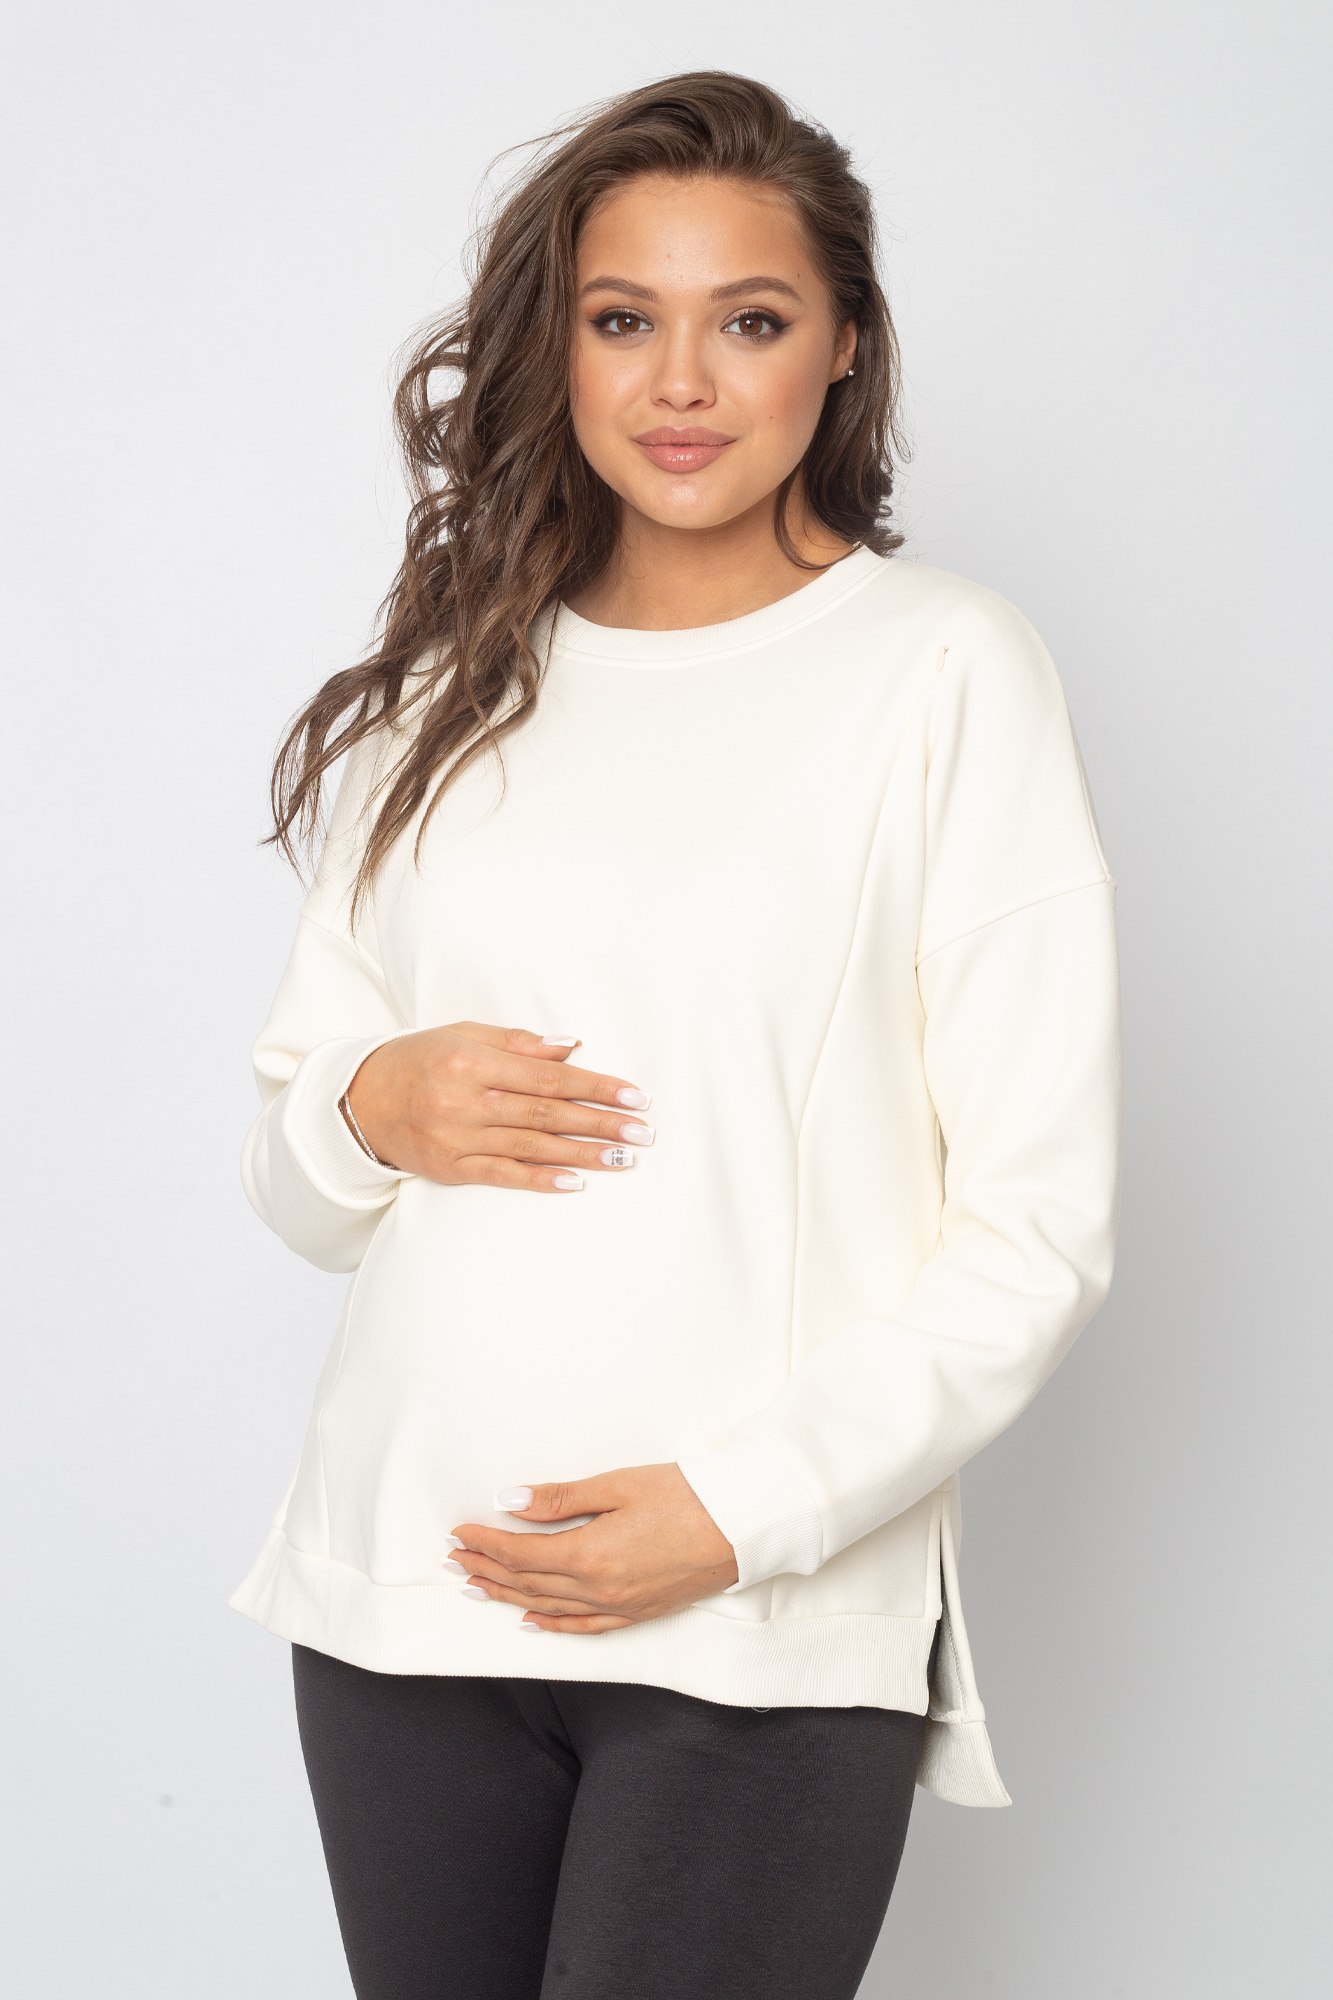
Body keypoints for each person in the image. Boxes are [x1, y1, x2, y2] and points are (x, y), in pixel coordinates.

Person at [232, 70, 1122, 2000]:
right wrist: (371, 1107)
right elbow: (301, 1183)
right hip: (405, 1599)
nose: (683, 382)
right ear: (556, 346)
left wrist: (740, 1512)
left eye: (753, 319)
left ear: (845, 346)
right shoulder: (448, 692)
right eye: (624, 318)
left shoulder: (939, 672)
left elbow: (1037, 1225)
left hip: (755, 1619)